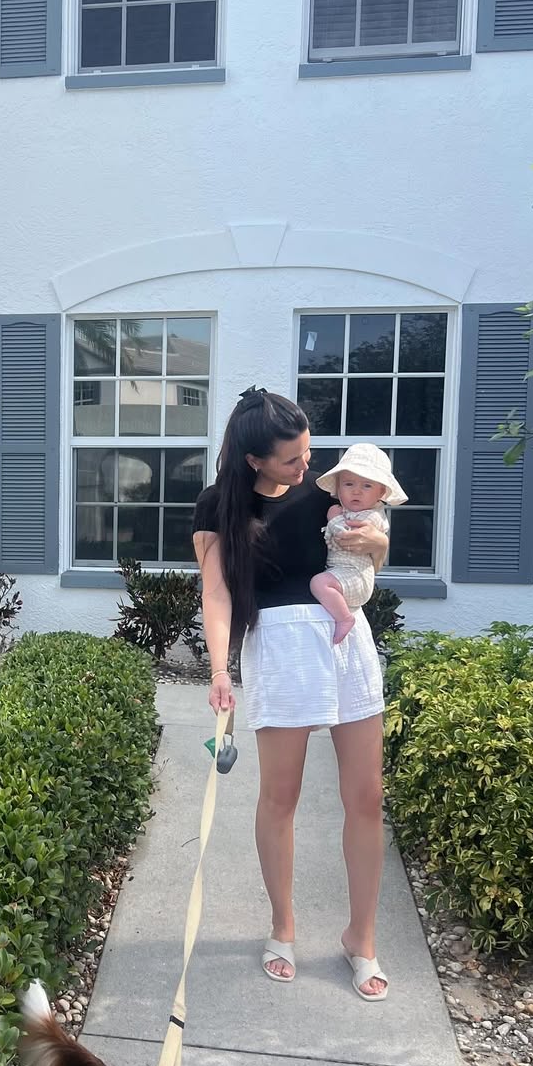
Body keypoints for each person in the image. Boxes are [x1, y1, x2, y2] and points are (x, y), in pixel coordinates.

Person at [192, 388, 391, 1000]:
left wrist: (378, 546)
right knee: (280, 798)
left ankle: (361, 937)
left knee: (367, 797)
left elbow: (365, 556)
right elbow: (217, 593)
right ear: (254, 459)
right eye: (291, 459)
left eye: (308, 452)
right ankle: (283, 925)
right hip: (280, 648)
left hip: (345, 642)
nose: (307, 466)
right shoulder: (218, 505)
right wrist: (220, 671)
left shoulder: (325, 491)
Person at [309, 443, 408, 646]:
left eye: (367, 486)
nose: (356, 491)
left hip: (356, 575)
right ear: (338, 488)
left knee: (319, 583)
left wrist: (333, 519)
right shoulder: (348, 512)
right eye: (349, 484)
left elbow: (347, 536)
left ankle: (344, 619)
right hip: (342, 572)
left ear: (381, 492)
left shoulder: (371, 517)